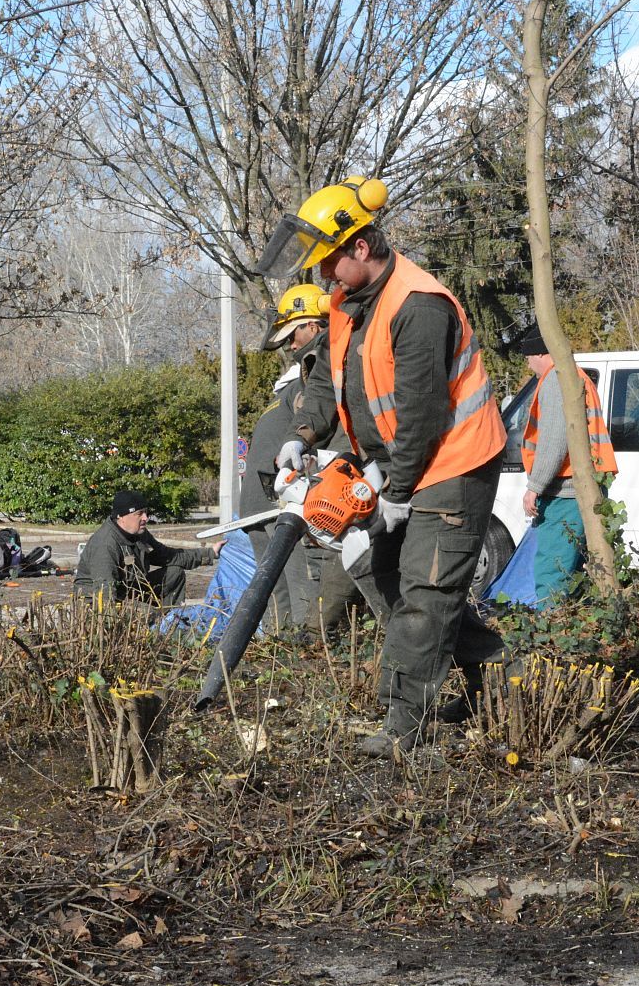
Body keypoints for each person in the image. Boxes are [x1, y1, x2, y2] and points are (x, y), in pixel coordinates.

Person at [256, 176, 507, 758]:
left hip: (454, 462)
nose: (321, 278)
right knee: (384, 569)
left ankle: (403, 730)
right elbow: (326, 380)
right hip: (402, 460)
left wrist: (390, 486)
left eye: (328, 263)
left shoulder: (419, 306)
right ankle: (498, 680)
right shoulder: (347, 303)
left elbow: (420, 413)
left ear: (360, 248)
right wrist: (304, 434)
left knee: (427, 587)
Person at [240, 283, 331, 634]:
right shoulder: (304, 375)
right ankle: (290, 653)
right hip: (265, 501)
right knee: (284, 587)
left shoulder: (309, 373)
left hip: (271, 499)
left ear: (316, 325)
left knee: (286, 591)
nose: (292, 344)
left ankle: (290, 653)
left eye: (294, 333)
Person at [516, 323, 619, 605]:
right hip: (586, 489)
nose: (529, 367)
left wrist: (534, 487)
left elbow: (554, 439)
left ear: (539, 354)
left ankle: (549, 641)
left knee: (553, 574)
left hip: (565, 493)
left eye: (528, 359)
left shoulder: (555, 379)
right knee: (581, 575)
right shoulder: (576, 376)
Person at [74, 490, 218, 607]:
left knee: (174, 573)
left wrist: (211, 553)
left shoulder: (139, 534)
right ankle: (156, 629)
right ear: (121, 517)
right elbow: (105, 594)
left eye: (146, 512)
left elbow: (169, 556)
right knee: (148, 614)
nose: (146, 518)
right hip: (96, 601)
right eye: (139, 514)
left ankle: (170, 622)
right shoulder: (106, 544)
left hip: (126, 590)